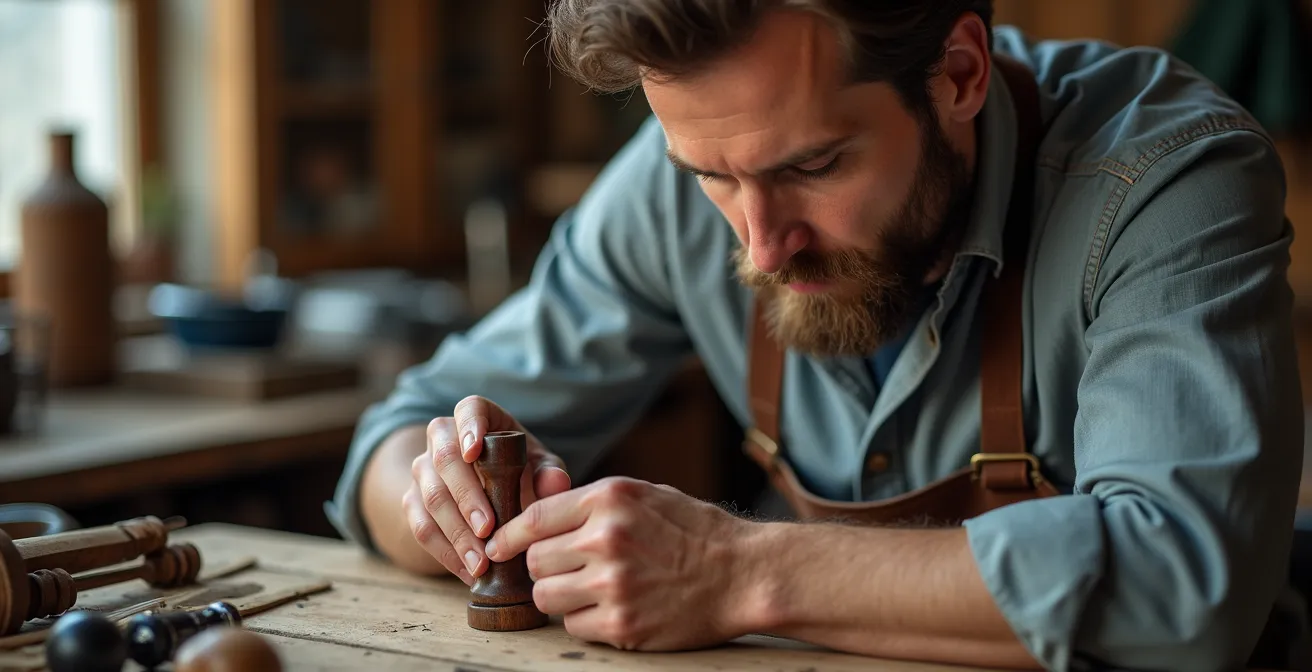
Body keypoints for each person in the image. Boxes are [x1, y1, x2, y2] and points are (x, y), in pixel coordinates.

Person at [326, 2, 1309, 670]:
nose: (758, 240)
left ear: (957, 75)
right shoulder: (680, 180)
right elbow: (397, 434)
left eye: (815, 164)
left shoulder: (1162, 178)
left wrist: (735, 573)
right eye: (711, 177)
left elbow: (1186, 583)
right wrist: (435, 490)